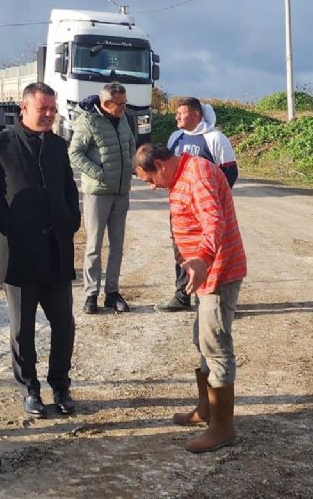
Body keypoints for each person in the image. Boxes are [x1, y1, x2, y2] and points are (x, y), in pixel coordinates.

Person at [0, 82, 81, 418]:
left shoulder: (57, 146)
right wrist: (10, 225)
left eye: (52, 109)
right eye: (42, 108)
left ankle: (60, 386)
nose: (49, 114)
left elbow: (68, 188)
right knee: (23, 329)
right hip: (20, 254)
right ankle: (30, 389)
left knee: (64, 325)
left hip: (56, 251)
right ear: (24, 108)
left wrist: (71, 219)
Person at [133, 143, 246, 453]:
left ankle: (222, 428)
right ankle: (206, 409)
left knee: (215, 345)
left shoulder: (198, 175)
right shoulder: (182, 174)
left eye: (150, 179)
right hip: (204, 274)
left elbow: (213, 220)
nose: (152, 187)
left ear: (160, 164)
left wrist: (203, 258)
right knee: (202, 340)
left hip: (218, 272)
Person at [157, 97, 238, 312]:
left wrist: (212, 201)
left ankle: (213, 299)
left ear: (195, 114)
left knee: (210, 251)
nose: (176, 116)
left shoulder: (215, 139)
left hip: (206, 210)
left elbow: (230, 173)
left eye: (181, 112)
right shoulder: (175, 138)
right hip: (181, 210)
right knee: (182, 249)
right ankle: (182, 295)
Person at [68, 82, 135, 315]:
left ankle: (112, 293)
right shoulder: (88, 121)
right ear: (106, 103)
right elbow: (74, 153)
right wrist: (100, 174)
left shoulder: (122, 118)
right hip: (97, 193)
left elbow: (130, 144)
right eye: (120, 104)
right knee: (94, 245)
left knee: (117, 246)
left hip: (121, 191)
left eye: (125, 103)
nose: (124, 108)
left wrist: (129, 167)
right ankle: (91, 294)